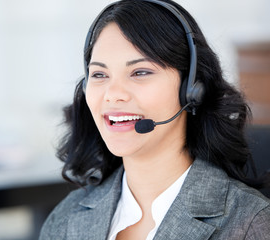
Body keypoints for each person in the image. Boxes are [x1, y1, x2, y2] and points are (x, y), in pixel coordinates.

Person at [39, 0, 270, 239]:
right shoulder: (65, 220)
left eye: (140, 72)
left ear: (191, 90)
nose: (113, 94)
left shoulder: (249, 223)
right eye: (99, 74)